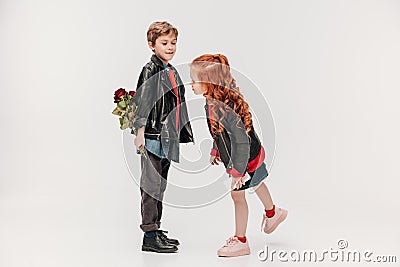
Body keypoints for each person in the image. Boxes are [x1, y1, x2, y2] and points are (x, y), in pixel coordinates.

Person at [190, 54, 287, 257]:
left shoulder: (225, 107)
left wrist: (237, 172)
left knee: (237, 196)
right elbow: (219, 131)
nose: (191, 84)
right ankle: (273, 213)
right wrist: (217, 149)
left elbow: (241, 141)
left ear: (209, 84)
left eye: (195, 81)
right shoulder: (211, 102)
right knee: (258, 183)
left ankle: (241, 241)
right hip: (245, 158)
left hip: (244, 158)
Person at [132, 21, 194, 253]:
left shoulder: (170, 70)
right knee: (150, 187)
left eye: (173, 43)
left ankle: (156, 230)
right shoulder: (151, 70)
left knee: (160, 186)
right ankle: (149, 235)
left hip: (167, 137)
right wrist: (140, 132)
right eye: (164, 43)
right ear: (152, 45)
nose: (170, 47)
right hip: (153, 136)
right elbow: (143, 102)